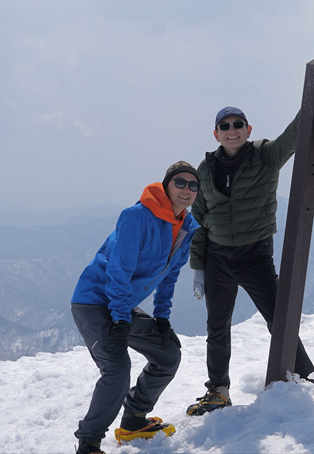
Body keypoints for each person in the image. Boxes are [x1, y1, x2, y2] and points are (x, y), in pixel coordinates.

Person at [186, 106, 314, 416]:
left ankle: (303, 376)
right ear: (216, 134)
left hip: (254, 255)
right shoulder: (206, 169)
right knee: (217, 327)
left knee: (277, 317)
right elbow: (199, 218)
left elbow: (292, 136)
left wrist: (312, 102)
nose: (232, 130)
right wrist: (198, 266)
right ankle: (218, 390)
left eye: (238, 124)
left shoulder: (265, 156)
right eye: (225, 126)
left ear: (248, 129)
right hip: (217, 258)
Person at [69, 161, 201, 454]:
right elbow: (119, 269)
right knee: (117, 369)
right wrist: (119, 320)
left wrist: (162, 318)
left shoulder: (186, 227)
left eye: (193, 185)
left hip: (121, 304)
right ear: (166, 186)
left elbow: (169, 276)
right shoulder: (137, 216)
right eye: (180, 182)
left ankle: (133, 420)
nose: (187, 189)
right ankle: (89, 444)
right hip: (94, 302)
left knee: (167, 354)